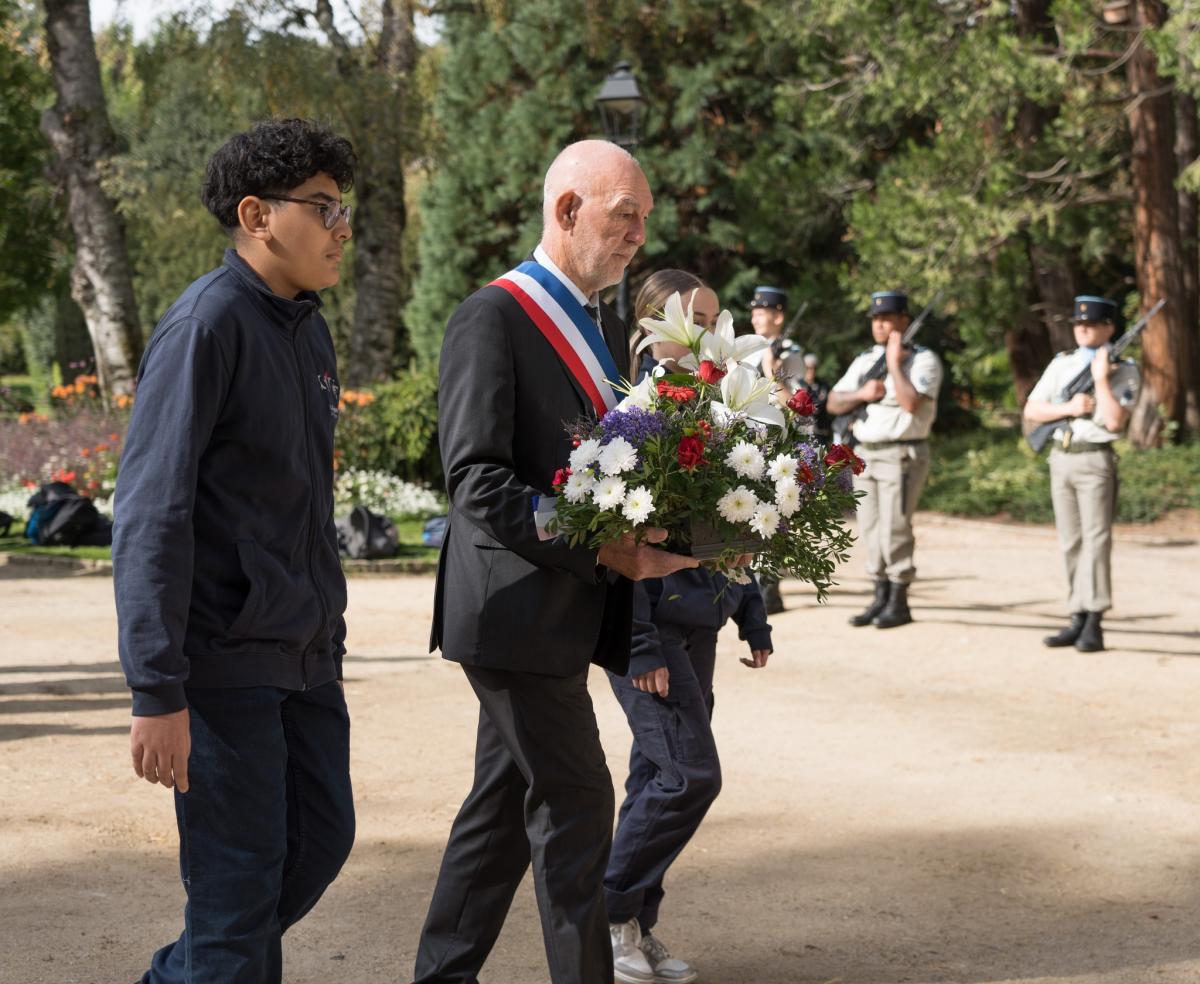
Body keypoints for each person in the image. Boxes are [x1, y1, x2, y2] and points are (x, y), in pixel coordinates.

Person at [414, 140, 699, 984]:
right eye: (624, 217)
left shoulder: (595, 321)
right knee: (578, 805)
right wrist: (598, 544)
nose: (637, 237)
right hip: (509, 613)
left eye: (644, 221)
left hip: (555, 615)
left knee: (500, 819)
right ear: (568, 209)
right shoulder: (493, 315)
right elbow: (474, 478)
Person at [112, 118, 357, 983]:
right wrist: (156, 688)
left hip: (304, 659)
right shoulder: (204, 328)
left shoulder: (308, 330)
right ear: (256, 215)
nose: (342, 227)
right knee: (235, 903)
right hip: (222, 671)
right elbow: (151, 514)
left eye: (343, 206)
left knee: (319, 848)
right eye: (322, 207)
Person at [606, 271, 773, 984]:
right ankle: (605, 914)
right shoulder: (638, 410)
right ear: (652, 324)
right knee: (687, 776)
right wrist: (638, 641)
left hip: (700, 621)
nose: (706, 331)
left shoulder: (720, 407)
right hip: (651, 628)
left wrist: (753, 615)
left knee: (653, 776)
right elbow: (618, 533)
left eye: (711, 318)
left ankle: (636, 926)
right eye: (691, 318)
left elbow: (737, 522)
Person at [1023, 295, 1140, 653]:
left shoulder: (1125, 368)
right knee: (1070, 541)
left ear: (1109, 328)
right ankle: (1076, 613)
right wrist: (1068, 408)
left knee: (1096, 541)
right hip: (1062, 457)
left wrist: (1101, 380)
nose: (1082, 328)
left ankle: (1095, 619)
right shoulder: (1062, 364)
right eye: (1078, 323)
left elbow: (1116, 421)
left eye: (1090, 324)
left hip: (1094, 461)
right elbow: (1032, 409)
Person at [827, 290, 943, 629]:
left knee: (895, 526)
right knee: (871, 527)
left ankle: (899, 599)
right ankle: (879, 595)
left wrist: (894, 363)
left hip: (902, 453)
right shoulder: (865, 360)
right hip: (866, 454)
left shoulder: (923, 360)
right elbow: (834, 401)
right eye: (876, 319)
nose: (880, 325)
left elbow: (911, 403)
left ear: (904, 322)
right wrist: (861, 394)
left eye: (887, 319)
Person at [740, 285, 799, 614]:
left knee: (775, 516)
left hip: (779, 444)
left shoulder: (790, 352)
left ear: (778, 316)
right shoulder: (747, 349)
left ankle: (770, 588)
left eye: (762, 312)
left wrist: (774, 374)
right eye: (753, 312)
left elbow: (798, 405)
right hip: (748, 443)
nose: (755, 317)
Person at [797, 352, 833, 444]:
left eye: (814, 368)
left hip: (820, 431)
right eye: (808, 368)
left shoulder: (823, 386)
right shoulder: (796, 384)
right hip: (800, 431)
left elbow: (822, 404)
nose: (811, 371)